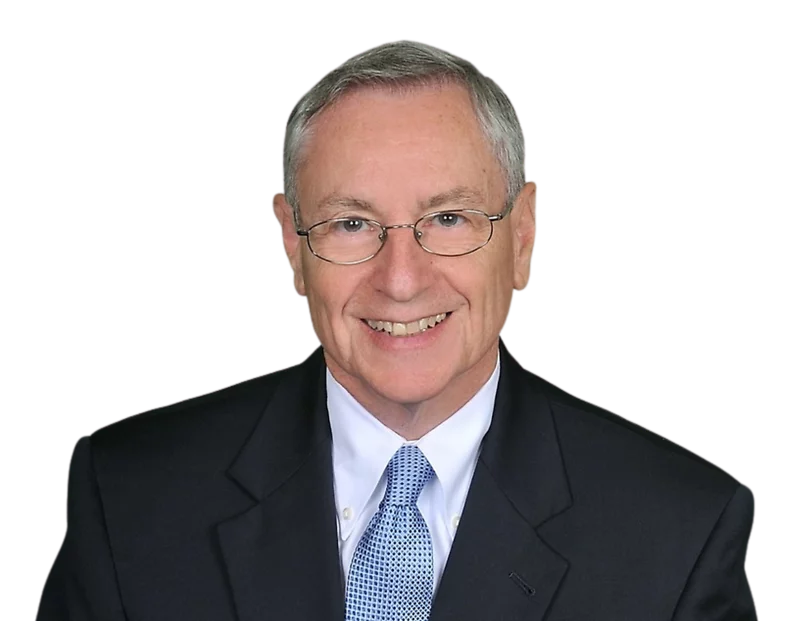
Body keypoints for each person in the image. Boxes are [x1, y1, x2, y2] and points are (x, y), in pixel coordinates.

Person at [36, 40, 756, 620]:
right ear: (291, 242)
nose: (402, 277)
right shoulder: (130, 499)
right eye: (352, 223)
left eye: (448, 218)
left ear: (524, 232)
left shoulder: (681, 531)